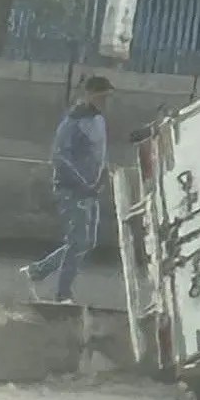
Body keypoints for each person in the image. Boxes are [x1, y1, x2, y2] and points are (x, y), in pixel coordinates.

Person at [21, 75, 114, 304]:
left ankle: (37, 271)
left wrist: (104, 173)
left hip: (91, 190)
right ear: (89, 95)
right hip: (72, 190)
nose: (106, 102)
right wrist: (83, 183)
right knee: (78, 240)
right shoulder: (73, 122)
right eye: (102, 97)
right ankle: (63, 293)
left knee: (86, 242)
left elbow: (100, 151)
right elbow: (60, 157)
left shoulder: (98, 120)